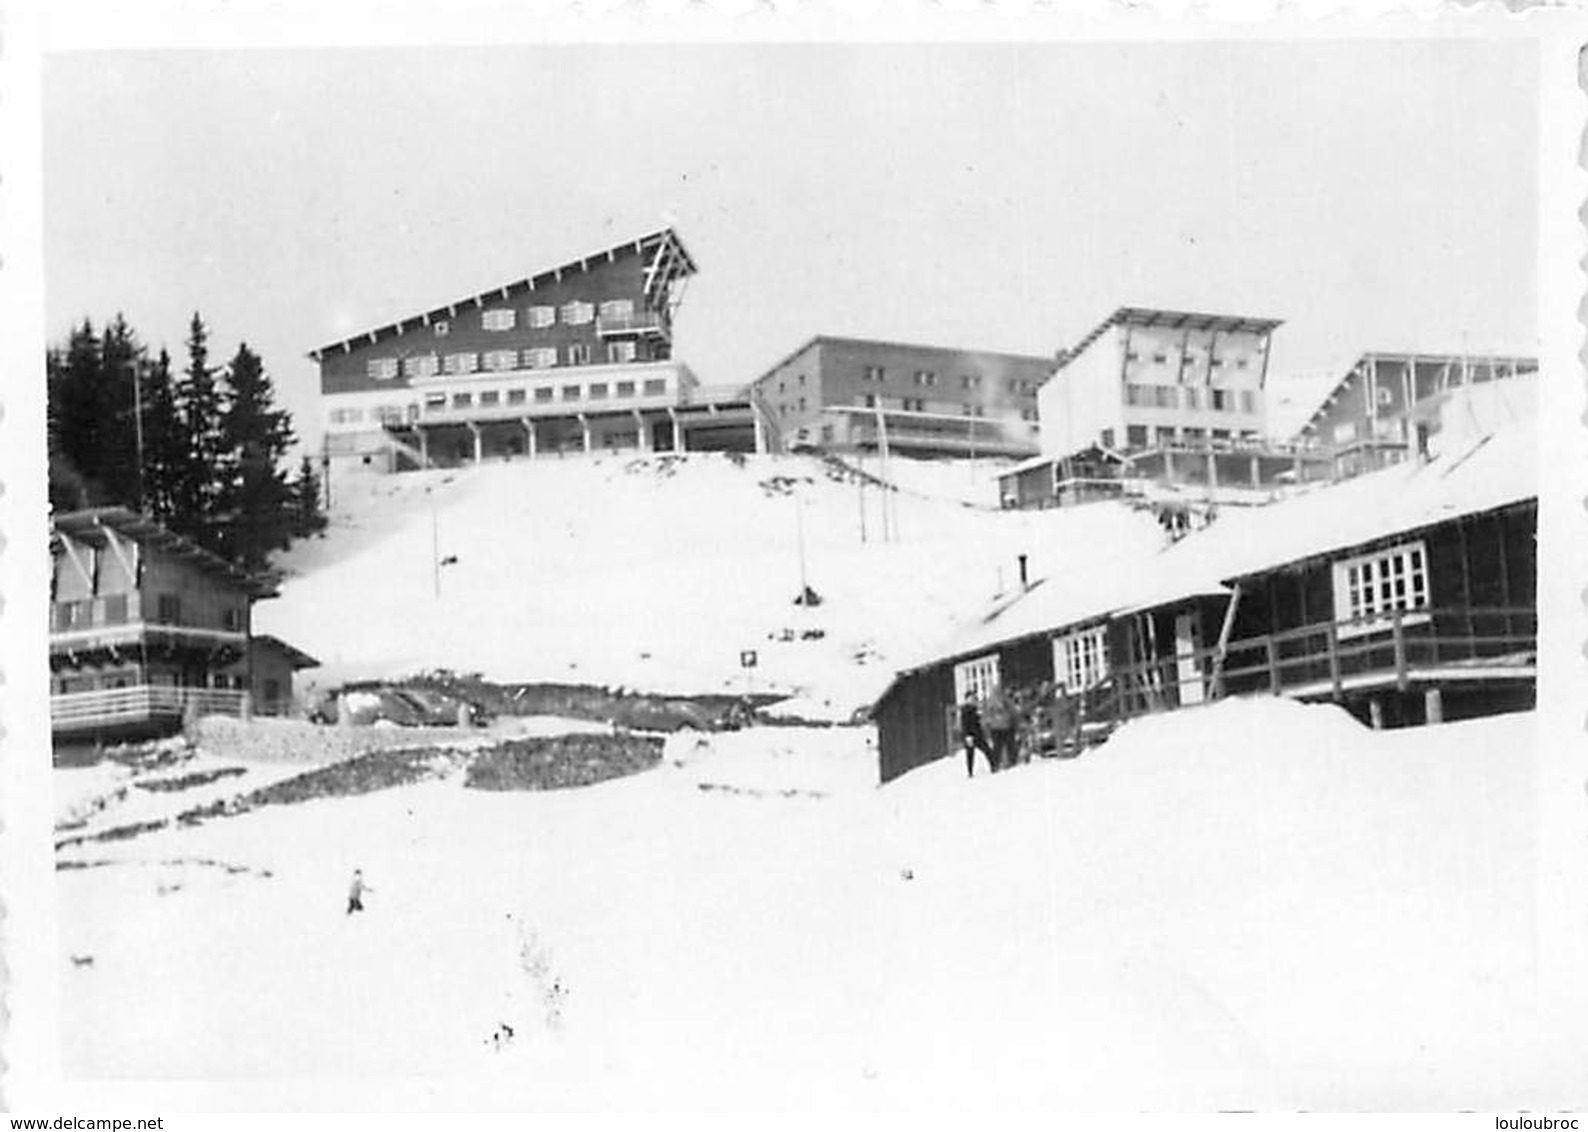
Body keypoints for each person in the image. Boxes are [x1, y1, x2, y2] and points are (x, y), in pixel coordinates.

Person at [983, 686, 1018, 772]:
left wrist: (988, 726)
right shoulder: (1005, 700)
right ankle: (1011, 761)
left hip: (995, 728)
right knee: (1009, 745)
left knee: (997, 747)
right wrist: (1014, 722)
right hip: (1006, 726)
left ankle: (996, 764)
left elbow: (986, 716)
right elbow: (1013, 711)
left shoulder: (989, 702)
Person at [957, 693, 990, 778]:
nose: (972, 700)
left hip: (977, 734)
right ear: (967, 699)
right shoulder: (965, 710)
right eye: (970, 698)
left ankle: (993, 765)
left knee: (986, 750)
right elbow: (964, 724)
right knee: (970, 754)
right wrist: (967, 736)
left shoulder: (975, 709)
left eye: (973, 698)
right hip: (970, 735)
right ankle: (970, 772)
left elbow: (978, 722)